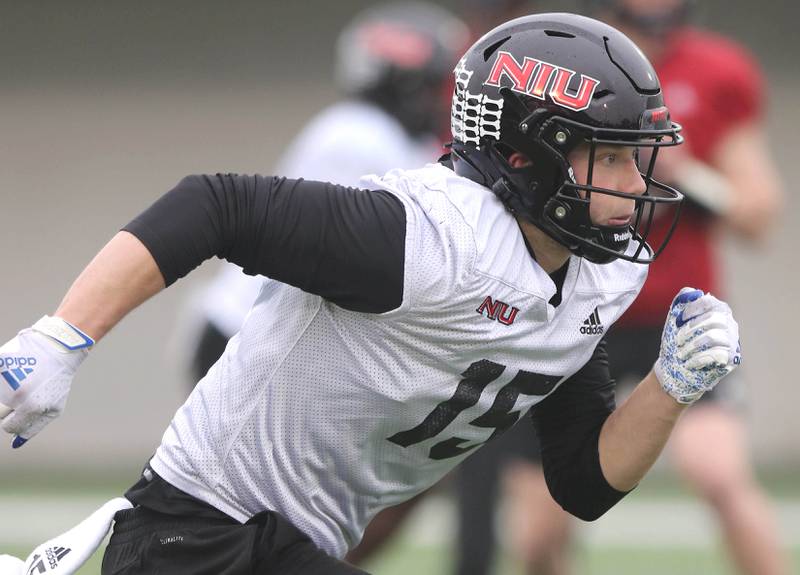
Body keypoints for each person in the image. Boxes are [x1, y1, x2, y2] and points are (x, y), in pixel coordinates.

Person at [0, 13, 742, 575]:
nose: (636, 186)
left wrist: (669, 388)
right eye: (609, 156)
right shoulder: (427, 237)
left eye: (636, 156)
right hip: (201, 530)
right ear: (527, 154)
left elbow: (582, 480)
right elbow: (215, 204)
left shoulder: (592, 276)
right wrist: (62, 337)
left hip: (297, 541)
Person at [470, 2, 787, 574]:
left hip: (671, 312)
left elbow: (758, 214)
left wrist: (687, 175)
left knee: (719, 473)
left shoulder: (716, 70)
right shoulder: (559, 65)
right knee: (539, 529)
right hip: (568, 307)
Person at [188, 2, 468, 386]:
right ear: (409, 84)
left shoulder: (392, 138)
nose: (447, 100)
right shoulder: (357, 133)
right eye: (440, 86)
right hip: (250, 331)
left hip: (266, 330)